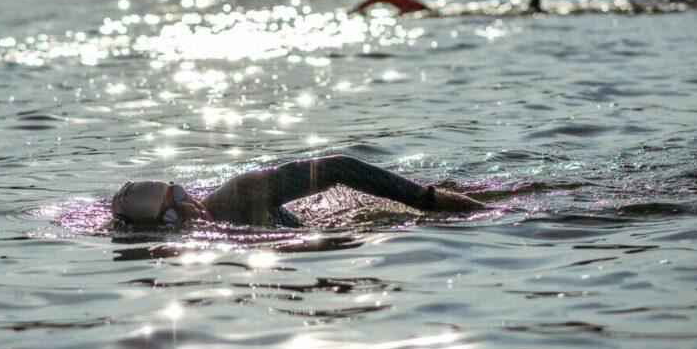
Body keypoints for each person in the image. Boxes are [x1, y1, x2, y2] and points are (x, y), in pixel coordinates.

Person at [111, 154, 484, 228]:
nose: (189, 210)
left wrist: (427, 200)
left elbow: (338, 167)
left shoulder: (238, 196)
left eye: (179, 195)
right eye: (171, 215)